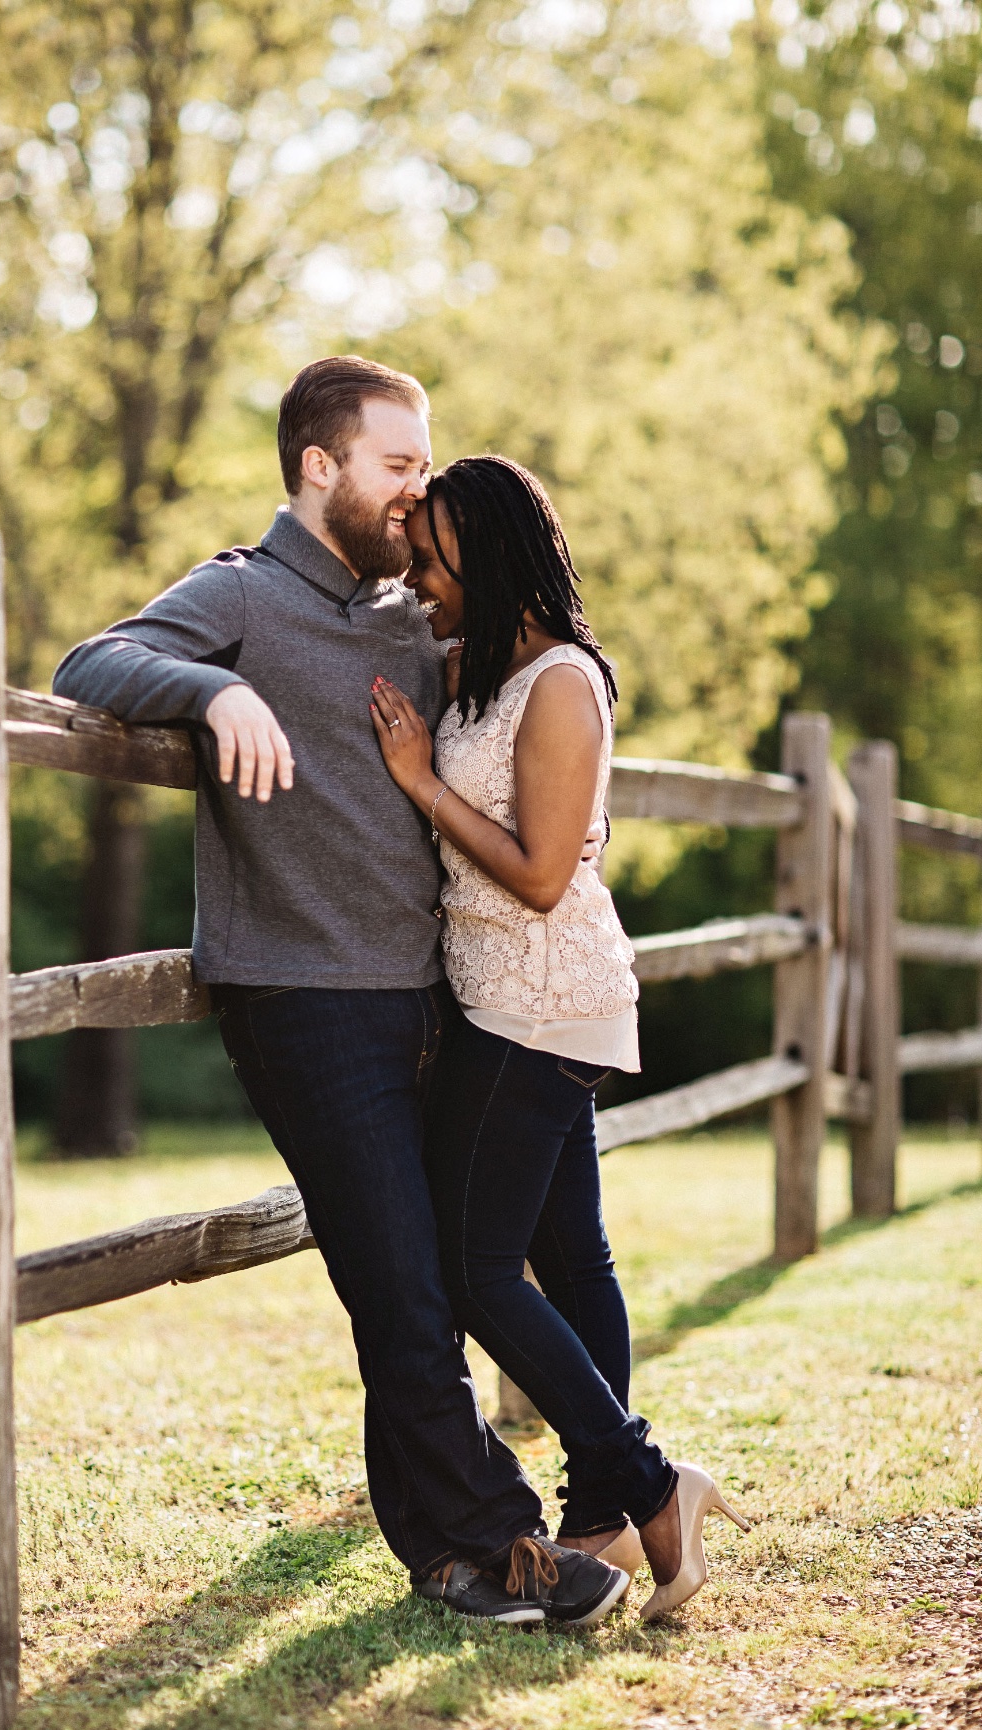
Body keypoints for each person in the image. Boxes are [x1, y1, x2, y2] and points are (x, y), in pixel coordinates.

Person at [52, 357, 629, 1628]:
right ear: (321, 466)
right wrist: (217, 686)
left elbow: (536, 708)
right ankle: (499, 1543)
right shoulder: (242, 594)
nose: (416, 489)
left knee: (421, 1277)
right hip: (304, 999)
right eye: (397, 463)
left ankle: (459, 1552)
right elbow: (92, 660)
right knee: (410, 1291)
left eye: (421, 465)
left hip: (439, 999)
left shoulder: (413, 613)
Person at [370, 455, 751, 1622]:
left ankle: (644, 1479)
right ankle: (600, 1515)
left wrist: (420, 783)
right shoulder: (479, 667)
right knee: (572, 1259)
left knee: (479, 1274)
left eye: (430, 558)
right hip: (511, 997)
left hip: (539, 1002)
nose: (414, 578)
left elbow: (540, 873)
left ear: (485, 559)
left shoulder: (562, 686)